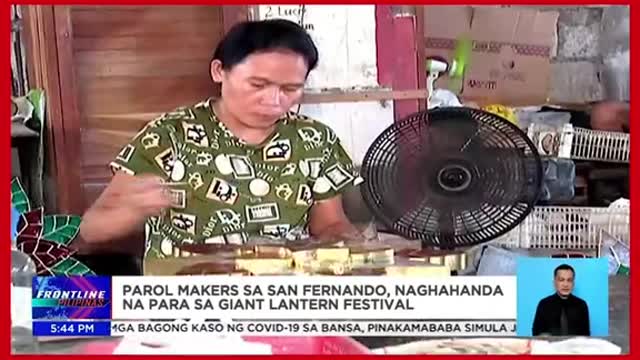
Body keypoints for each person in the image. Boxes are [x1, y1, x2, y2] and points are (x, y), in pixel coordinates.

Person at [78, 19, 364, 261]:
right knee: (51, 308)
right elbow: (91, 229)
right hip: (187, 298)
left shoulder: (314, 139)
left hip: (282, 297)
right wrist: (133, 208)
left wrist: (347, 244)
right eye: (258, 85)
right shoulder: (169, 136)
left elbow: (329, 223)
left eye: (290, 89)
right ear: (219, 71)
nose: (274, 101)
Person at [531, 264, 591, 336]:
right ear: (554, 282)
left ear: (573, 283)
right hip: (550, 346)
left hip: (575, 346)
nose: (565, 284)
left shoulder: (581, 305)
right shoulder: (544, 304)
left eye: (569, 280)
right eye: (561, 280)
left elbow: (586, 335)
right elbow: (536, 332)